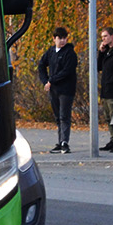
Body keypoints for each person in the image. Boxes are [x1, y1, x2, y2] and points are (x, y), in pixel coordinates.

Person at [36, 26, 77, 154]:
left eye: (65, 38)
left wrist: (51, 80)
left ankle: (65, 142)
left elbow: (67, 71)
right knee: (57, 116)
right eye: (60, 38)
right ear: (54, 39)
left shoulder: (70, 53)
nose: (63, 41)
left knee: (64, 116)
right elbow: (41, 65)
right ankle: (60, 142)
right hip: (54, 90)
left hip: (66, 89)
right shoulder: (51, 52)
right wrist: (45, 81)